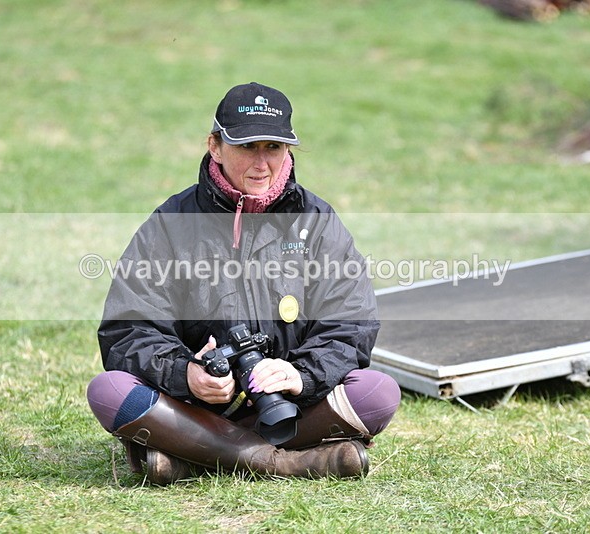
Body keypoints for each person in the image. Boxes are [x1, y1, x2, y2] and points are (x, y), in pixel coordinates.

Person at [87, 82, 401, 484]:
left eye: (273, 147)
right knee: (109, 391)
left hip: (288, 408)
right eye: (246, 146)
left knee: (378, 392)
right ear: (214, 146)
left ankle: (192, 457)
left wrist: (299, 375)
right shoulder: (170, 223)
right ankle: (290, 462)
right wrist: (186, 374)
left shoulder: (317, 221)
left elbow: (351, 324)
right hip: (194, 409)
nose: (261, 164)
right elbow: (127, 330)